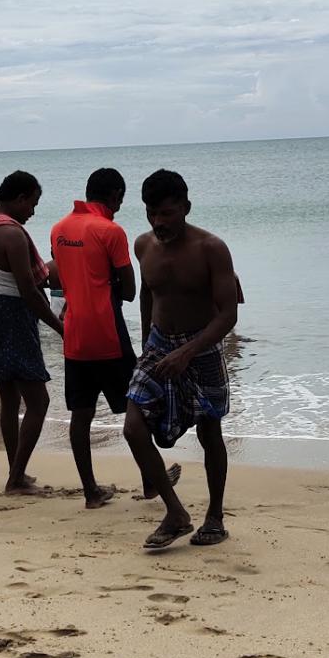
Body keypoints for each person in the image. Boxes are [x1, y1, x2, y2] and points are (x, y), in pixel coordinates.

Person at [123, 169, 238, 548]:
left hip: (200, 345)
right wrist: (145, 346)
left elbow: (227, 314)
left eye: (168, 213)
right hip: (158, 344)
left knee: (210, 431)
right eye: (151, 213)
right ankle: (175, 512)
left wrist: (188, 352)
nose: (159, 222)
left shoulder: (211, 248)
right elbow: (147, 295)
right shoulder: (143, 246)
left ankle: (215, 517)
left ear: (186, 208)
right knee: (133, 427)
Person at [50, 168, 178, 510]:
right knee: (136, 409)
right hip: (108, 333)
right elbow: (132, 291)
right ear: (115, 195)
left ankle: (91, 491)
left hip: (75, 334)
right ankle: (151, 481)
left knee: (81, 413)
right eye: (120, 199)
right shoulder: (110, 230)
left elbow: (62, 278)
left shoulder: (59, 230)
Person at [0, 171, 63, 494]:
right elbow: (30, 292)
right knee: (38, 402)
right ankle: (16, 479)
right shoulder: (11, 234)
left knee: (9, 399)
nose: (33, 211)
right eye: (33, 203)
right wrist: (61, 328)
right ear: (20, 198)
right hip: (10, 317)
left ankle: (15, 469)